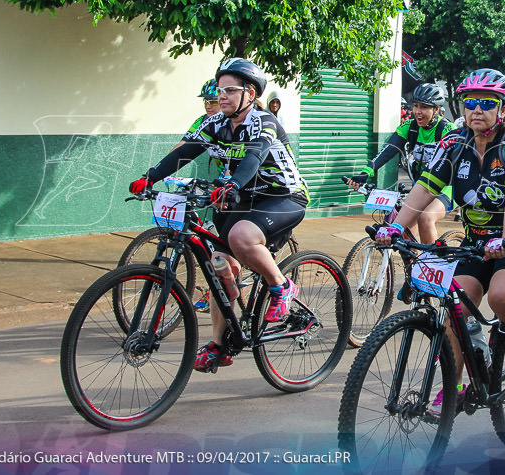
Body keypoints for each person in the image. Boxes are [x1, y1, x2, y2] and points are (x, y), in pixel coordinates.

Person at [375, 68, 505, 407]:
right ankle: (456, 385)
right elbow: (424, 188)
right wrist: (396, 227)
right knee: (455, 303)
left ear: (503, 109)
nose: (477, 109)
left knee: (503, 296)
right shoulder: (455, 144)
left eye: (487, 103)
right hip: (478, 239)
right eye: (470, 102)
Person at [128, 57, 309, 373]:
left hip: (282, 197)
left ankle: (281, 286)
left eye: (229, 90)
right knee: (219, 268)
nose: (221, 96)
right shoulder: (215, 125)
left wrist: (234, 184)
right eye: (218, 90)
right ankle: (220, 344)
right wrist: (150, 177)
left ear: (249, 93)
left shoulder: (264, 122)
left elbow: (254, 157)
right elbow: (183, 153)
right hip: (240, 198)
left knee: (241, 237)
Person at [347, 83, 454, 242]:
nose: (417, 111)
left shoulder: (447, 130)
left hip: (446, 188)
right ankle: (414, 265)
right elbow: (387, 151)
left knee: (426, 217)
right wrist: (365, 173)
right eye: (415, 106)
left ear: (436, 110)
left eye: (424, 107)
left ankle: (435, 263)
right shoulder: (409, 127)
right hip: (421, 187)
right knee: (404, 229)